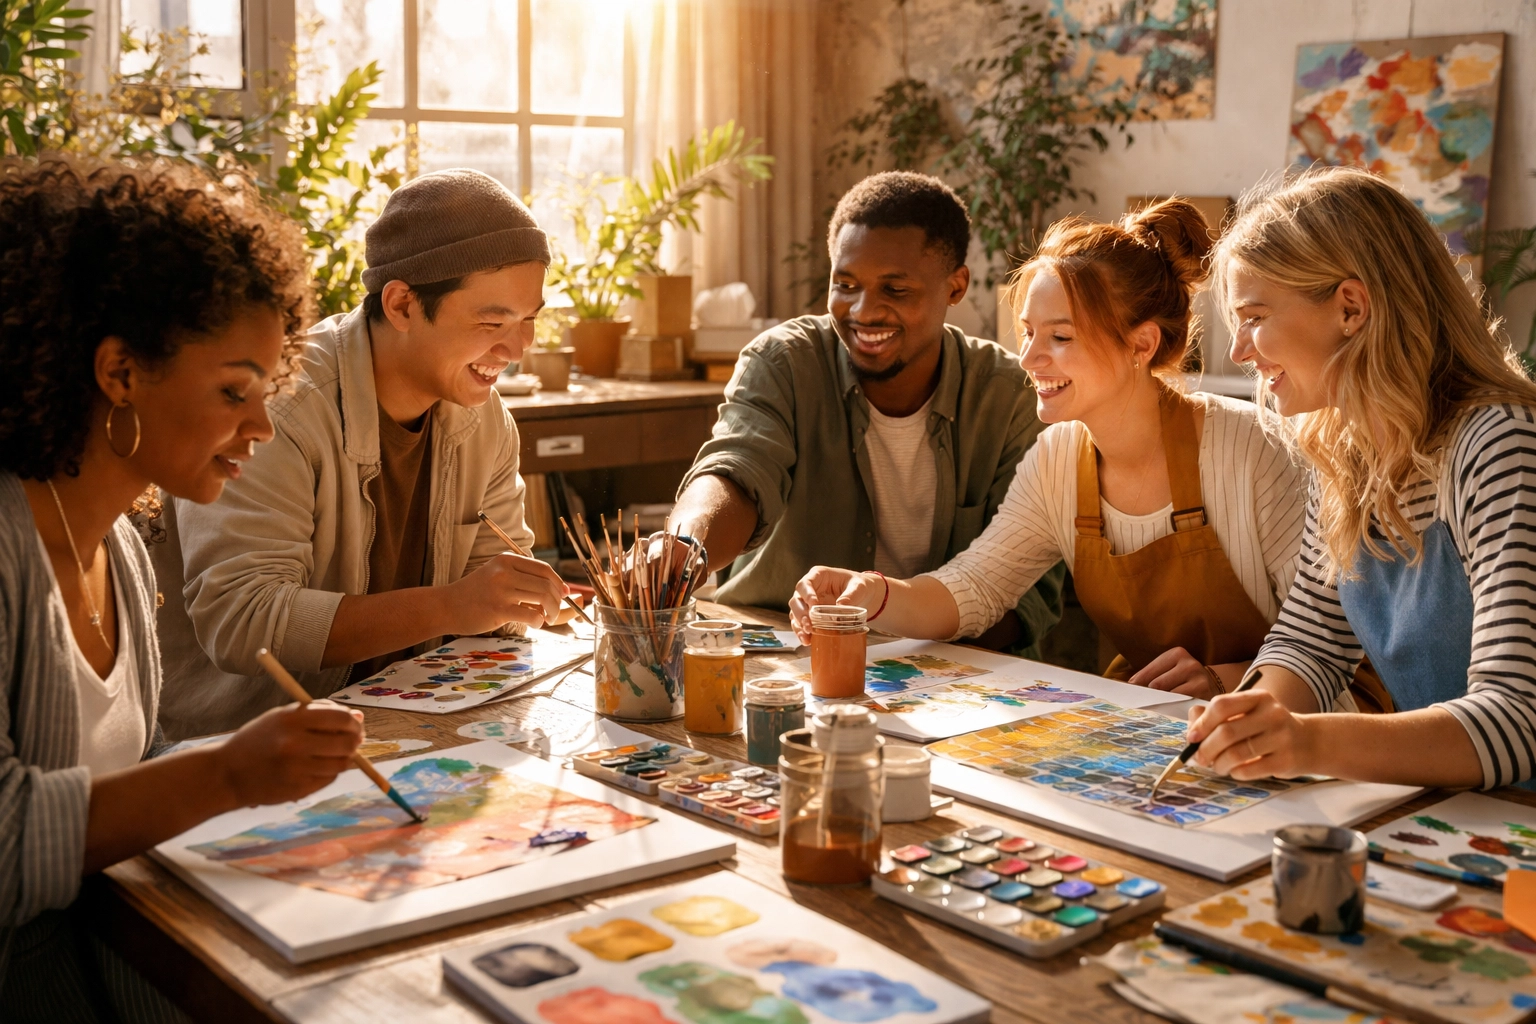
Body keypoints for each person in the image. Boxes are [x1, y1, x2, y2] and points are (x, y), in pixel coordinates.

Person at [0, 157, 365, 1022]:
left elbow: (128, 767)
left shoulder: (122, 544)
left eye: (268, 390)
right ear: (120, 372)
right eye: (235, 390)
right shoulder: (9, 547)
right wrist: (231, 774)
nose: (262, 427)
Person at [790, 198, 1389, 707]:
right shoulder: (1057, 457)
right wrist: (874, 593)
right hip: (1166, 718)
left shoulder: (1248, 447)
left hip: (1316, 721)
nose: (1028, 359)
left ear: (1141, 344)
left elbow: (1331, 645)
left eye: (1060, 337)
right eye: (1027, 333)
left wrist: (1223, 681)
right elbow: (974, 590)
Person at [150, 168, 570, 740]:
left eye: (530, 320)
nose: (519, 348)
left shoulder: (484, 416)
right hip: (242, 753)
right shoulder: (279, 407)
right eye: (492, 320)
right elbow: (242, 620)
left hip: (409, 729)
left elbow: (492, 595)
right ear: (400, 304)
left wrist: (515, 601)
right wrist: (452, 606)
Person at [1186, 166, 1536, 788]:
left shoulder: (1500, 443)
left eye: (1255, 316)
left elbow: (1517, 721)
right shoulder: (1345, 450)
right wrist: (1247, 719)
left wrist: (1304, 741)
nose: (1239, 351)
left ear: (1350, 307)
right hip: (1458, 812)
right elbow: (1310, 642)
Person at [670, 171, 1063, 655]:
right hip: (786, 652)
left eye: (895, 290)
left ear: (956, 286)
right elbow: (736, 470)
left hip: (951, 670)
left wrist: (902, 643)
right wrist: (682, 550)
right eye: (846, 284)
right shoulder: (783, 363)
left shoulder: (1012, 397)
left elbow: (1027, 597)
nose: (863, 310)